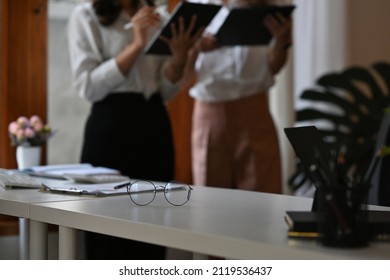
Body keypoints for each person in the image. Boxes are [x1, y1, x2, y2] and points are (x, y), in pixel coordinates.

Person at [67, 0, 202, 259]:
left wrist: (179, 58)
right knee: (105, 228)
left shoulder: (157, 17)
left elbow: (166, 90)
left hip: (154, 123)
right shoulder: (84, 15)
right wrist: (137, 45)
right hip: (110, 127)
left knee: (154, 225)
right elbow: (87, 86)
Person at [187, 0, 293, 193]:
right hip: (209, 110)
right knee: (210, 199)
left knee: (263, 196)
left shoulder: (264, 6)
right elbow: (179, 72)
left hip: (254, 107)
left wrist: (282, 40)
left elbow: (274, 66)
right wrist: (194, 47)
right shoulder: (197, 6)